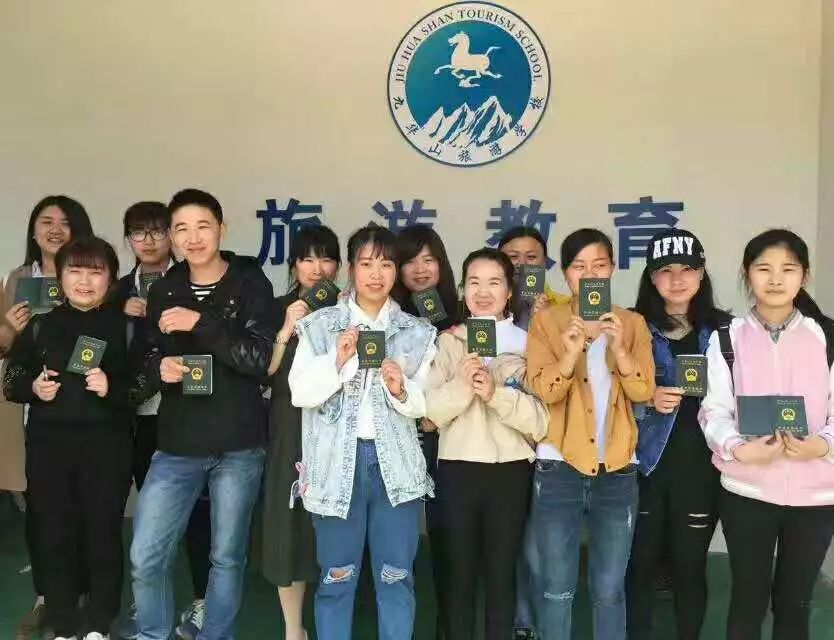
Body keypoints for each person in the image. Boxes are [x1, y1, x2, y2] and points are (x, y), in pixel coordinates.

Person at [129, 189, 274, 640]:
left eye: (202, 226)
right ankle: (153, 632)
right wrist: (159, 368)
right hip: (178, 442)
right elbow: (146, 358)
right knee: (146, 555)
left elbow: (259, 359)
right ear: (172, 238)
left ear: (221, 230)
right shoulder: (164, 289)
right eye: (181, 229)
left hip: (238, 442)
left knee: (226, 557)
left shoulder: (249, 282)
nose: (193, 238)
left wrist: (200, 323)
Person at [288, 224, 436, 640]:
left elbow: (425, 407)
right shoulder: (320, 327)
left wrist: (401, 389)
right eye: (367, 264)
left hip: (396, 471)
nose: (376, 274)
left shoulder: (416, 332)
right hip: (336, 468)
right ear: (350, 269)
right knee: (336, 579)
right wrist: (338, 360)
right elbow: (300, 393)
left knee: (396, 579)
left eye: (386, 264)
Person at [699, 229, 834, 640]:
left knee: (795, 604)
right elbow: (713, 411)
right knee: (747, 600)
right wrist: (738, 449)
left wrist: (822, 444)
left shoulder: (827, 338)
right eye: (764, 269)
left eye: (788, 269)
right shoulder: (726, 338)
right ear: (747, 274)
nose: (776, 279)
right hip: (747, 492)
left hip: (816, 496)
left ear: (804, 276)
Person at [3, 236, 139, 640]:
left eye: (95, 272)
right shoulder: (40, 325)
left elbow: (143, 384)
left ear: (111, 278)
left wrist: (112, 388)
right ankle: (63, 623)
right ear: (59, 277)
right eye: (74, 271)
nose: (84, 280)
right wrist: (34, 387)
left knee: (102, 532)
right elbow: (12, 379)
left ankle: (99, 624)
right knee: (54, 532)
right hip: (49, 447)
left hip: (107, 447)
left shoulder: (126, 327)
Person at [525, 228, 655, 640]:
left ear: (612, 268)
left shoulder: (631, 323)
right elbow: (545, 390)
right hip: (558, 467)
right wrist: (571, 351)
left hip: (617, 469)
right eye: (579, 267)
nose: (590, 274)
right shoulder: (547, 322)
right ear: (566, 274)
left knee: (609, 589)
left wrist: (619, 349)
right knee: (556, 588)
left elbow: (643, 391)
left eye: (599, 265)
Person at [425, 247, 548, 640]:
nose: (483, 292)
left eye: (494, 283)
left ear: (509, 291)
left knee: (501, 577)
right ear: (463, 290)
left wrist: (495, 393)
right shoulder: (448, 342)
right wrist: (463, 386)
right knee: (457, 577)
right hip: (457, 470)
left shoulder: (529, 344)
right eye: (474, 282)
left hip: (510, 472)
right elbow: (428, 414)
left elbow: (541, 422)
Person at [111, 201, 210, 640]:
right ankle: (149, 601)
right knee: (152, 517)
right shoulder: (115, 291)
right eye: (139, 232)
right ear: (128, 239)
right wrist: (118, 312)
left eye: (157, 231)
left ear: (171, 236)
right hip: (138, 417)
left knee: (198, 514)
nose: (149, 240)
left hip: (187, 413)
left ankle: (203, 599)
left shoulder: (192, 281)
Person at [626, 229, 731, 640]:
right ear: (651, 278)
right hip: (643, 468)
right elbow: (606, 393)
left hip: (700, 470)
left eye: (687, 269)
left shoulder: (725, 331)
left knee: (690, 569)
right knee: (639, 568)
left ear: (701, 273)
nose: (676, 279)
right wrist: (645, 397)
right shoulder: (631, 326)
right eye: (665, 270)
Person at [0, 195, 93, 640]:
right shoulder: (18, 279)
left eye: (64, 222)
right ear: (34, 231)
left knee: (83, 509)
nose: (55, 229)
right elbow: (4, 347)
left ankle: (84, 597)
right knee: (40, 512)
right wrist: (10, 329)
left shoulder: (93, 274)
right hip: (31, 410)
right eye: (46, 221)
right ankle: (46, 599)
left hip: (85, 412)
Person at [262, 224, 341, 640]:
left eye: (326, 258)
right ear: (294, 265)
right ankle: (293, 628)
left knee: (335, 526)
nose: (317, 268)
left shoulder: (350, 309)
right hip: (289, 426)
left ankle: (335, 619)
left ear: (339, 266)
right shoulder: (278, 308)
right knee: (288, 522)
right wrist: (286, 327)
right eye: (307, 258)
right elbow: (263, 371)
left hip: (337, 427)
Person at [392, 224, 460, 636]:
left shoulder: (462, 314)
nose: (420, 269)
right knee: (394, 540)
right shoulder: (385, 316)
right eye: (410, 261)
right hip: (397, 437)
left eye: (429, 259)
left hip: (444, 440)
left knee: (445, 535)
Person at [497, 226, 570, 332]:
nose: (522, 263)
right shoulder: (483, 304)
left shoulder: (565, 306)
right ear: (498, 262)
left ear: (545, 262)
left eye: (531, 257)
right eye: (513, 256)